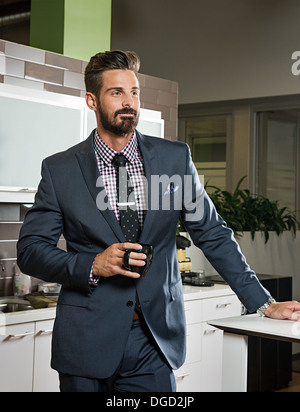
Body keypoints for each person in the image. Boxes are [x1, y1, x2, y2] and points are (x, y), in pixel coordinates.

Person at [17, 50, 300, 392]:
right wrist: (93, 264)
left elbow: (213, 233)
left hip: (153, 341)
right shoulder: (60, 169)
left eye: (134, 92)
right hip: (86, 341)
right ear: (92, 100)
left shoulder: (174, 158)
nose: (129, 102)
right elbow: (31, 250)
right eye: (116, 92)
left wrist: (263, 303)